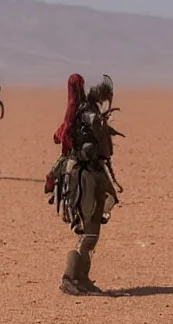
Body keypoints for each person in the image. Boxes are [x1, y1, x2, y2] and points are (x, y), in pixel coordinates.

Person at [47, 74, 123, 295]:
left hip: (92, 173)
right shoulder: (88, 114)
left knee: (94, 230)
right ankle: (70, 278)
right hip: (85, 177)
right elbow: (97, 137)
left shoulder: (87, 112)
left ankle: (83, 278)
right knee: (88, 229)